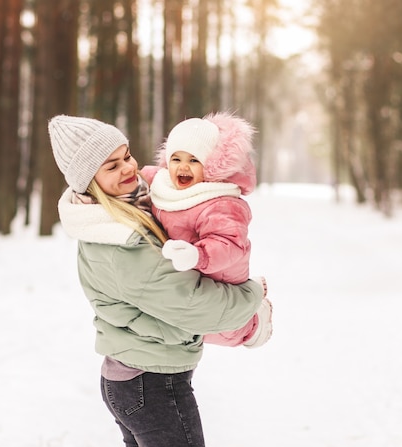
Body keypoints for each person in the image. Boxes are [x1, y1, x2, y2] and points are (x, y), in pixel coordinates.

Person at [47, 114, 272, 447]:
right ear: (88, 181)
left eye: (126, 156)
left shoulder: (128, 209)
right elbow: (195, 305)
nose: (127, 168)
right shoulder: (118, 242)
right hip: (150, 384)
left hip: (138, 379)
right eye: (111, 166)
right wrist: (253, 295)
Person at [140, 112, 263, 347]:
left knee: (216, 328)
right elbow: (133, 181)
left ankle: (255, 322)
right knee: (183, 324)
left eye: (194, 160)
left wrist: (198, 254)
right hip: (191, 277)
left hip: (221, 279)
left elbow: (230, 244)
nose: (183, 166)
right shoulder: (160, 184)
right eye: (176, 159)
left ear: (210, 165)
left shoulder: (221, 203)